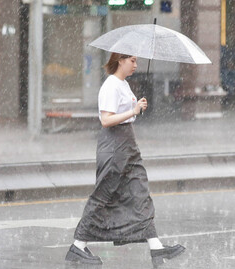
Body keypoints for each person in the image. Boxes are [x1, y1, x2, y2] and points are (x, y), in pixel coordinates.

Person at [65, 52, 185, 267]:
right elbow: (106, 119)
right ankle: (78, 245)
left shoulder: (123, 84)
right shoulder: (111, 85)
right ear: (120, 60)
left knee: (140, 193)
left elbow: (127, 113)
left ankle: (156, 247)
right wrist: (133, 109)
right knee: (104, 195)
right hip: (114, 146)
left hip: (128, 145)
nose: (136, 65)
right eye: (132, 60)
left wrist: (136, 107)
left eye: (137, 61)